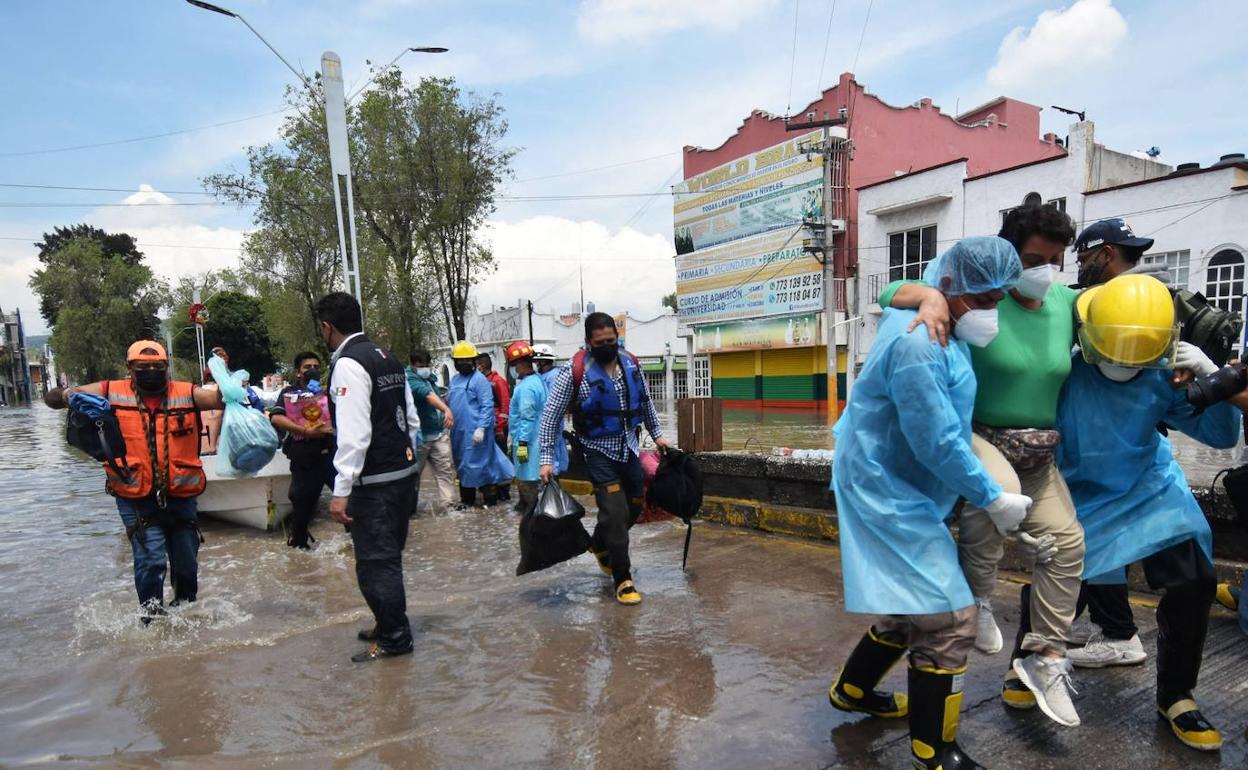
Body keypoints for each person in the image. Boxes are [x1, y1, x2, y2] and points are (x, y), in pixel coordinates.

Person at [879, 204, 1084, 726]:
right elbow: (890, 293)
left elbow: (1125, 312)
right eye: (1035, 259)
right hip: (983, 434)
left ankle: (1046, 657)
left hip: (1041, 449)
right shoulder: (974, 297)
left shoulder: (1064, 302)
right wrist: (928, 297)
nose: (1043, 272)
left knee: (1067, 544)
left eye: (1054, 260)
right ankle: (980, 597)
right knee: (996, 493)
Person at [827, 237, 1027, 770]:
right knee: (950, 618)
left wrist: (929, 297)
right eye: (984, 300)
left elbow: (898, 287)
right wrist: (992, 497)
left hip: (896, 479)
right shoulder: (922, 342)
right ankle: (934, 750)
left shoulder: (942, 304)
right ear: (952, 290)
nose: (992, 312)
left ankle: (853, 692)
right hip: (885, 487)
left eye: (998, 300)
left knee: (908, 608)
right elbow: (935, 441)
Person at [1044, 274, 1244, 751]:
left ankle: (1176, 695)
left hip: (1147, 490)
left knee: (1194, 580)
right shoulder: (1064, 376)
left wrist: (1209, 377)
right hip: (1082, 492)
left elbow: (1218, 436)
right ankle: (1027, 660)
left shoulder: (1165, 374)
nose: (1124, 362)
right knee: (1058, 579)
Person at [44, 340, 225, 623]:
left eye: (158, 367)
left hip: (181, 493)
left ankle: (186, 616)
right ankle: (151, 622)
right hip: (134, 494)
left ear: (167, 368)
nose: (152, 371)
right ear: (130, 368)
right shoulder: (109, 391)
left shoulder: (186, 393)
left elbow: (218, 400)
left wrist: (225, 377)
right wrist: (68, 395)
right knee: (151, 560)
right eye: (143, 367)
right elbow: (53, 400)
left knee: (187, 564)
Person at [316, 292, 421, 663]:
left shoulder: (347, 363)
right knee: (388, 557)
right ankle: (386, 621)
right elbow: (412, 419)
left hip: (374, 483)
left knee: (376, 564)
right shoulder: (385, 356)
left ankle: (395, 638)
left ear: (327, 326)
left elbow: (354, 434)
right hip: (403, 473)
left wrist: (341, 491)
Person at [539, 313, 670, 606]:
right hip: (597, 450)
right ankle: (622, 579)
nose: (607, 346)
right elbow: (550, 418)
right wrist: (546, 459)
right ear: (589, 342)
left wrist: (658, 434)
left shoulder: (630, 364)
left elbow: (646, 402)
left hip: (629, 448)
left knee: (634, 507)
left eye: (612, 340)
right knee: (613, 511)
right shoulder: (573, 372)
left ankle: (600, 543)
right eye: (600, 343)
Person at [266, 352, 335, 549]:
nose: (312, 370)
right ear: (298, 372)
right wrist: (305, 431)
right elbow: (276, 418)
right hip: (304, 457)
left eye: (316, 365)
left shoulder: (327, 392)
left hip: (331, 454)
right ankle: (299, 550)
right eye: (307, 367)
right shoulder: (289, 394)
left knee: (349, 501)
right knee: (302, 508)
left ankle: (353, 546)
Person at [448, 341, 514, 507]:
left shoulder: (480, 380)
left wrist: (481, 428)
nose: (464, 364)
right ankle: (467, 502)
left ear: (473, 361)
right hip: (459, 434)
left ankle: (490, 502)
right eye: (460, 361)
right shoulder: (454, 380)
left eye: (467, 361)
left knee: (483, 467)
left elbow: (487, 405)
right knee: (463, 466)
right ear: (455, 362)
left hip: (477, 434)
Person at [406, 350, 457, 513]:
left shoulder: (430, 379)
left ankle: (448, 505)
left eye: (427, 365)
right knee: (413, 476)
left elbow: (435, 394)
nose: (425, 368)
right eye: (420, 366)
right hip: (418, 437)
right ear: (413, 365)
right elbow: (427, 395)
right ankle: (409, 510)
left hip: (438, 433)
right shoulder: (409, 379)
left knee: (445, 471)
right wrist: (446, 409)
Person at [505, 341, 546, 513]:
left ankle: (531, 517)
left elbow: (527, 418)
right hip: (536, 440)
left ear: (520, 365)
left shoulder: (527, 387)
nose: (513, 369)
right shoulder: (537, 380)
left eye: (513, 365)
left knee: (528, 481)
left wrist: (521, 444)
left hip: (528, 443)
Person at [477, 351, 513, 502]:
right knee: (489, 460)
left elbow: (505, 406)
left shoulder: (497, 381)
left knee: (501, 460)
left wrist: (500, 427)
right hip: (488, 428)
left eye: (477, 364)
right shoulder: (482, 381)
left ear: (483, 365)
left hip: (498, 428)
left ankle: (503, 491)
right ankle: (493, 489)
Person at [533, 344, 570, 475]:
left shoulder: (554, 377)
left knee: (553, 458)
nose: (535, 364)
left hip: (551, 422)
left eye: (536, 361)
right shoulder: (540, 376)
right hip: (540, 422)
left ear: (542, 361)